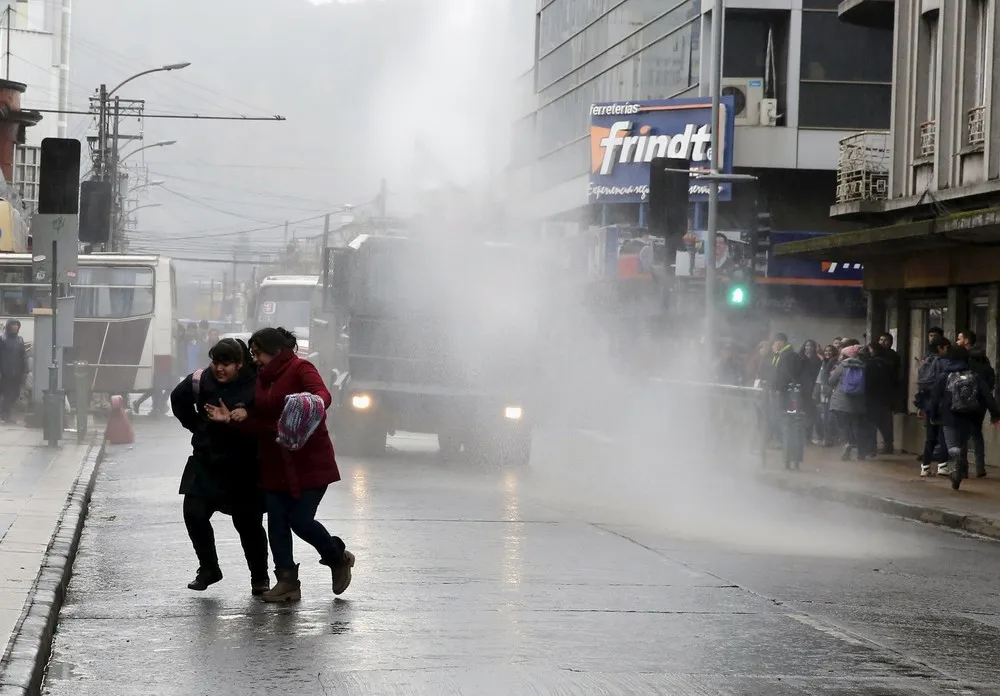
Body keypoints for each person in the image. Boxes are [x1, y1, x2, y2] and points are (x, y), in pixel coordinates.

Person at [207, 327, 355, 602]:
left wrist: (309, 404)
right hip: (274, 461)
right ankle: (287, 581)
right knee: (276, 522)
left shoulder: (300, 368)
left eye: (257, 353)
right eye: (252, 354)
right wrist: (231, 419)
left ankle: (336, 557)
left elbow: (322, 394)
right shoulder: (262, 380)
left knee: (300, 520)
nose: (255, 359)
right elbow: (265, 425)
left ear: (274, 351)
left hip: (309, 461)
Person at [170, 338, 270, 594]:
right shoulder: (200, 380)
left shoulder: (257, 383)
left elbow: (271, 412)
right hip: (206, 462)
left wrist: (246, 416)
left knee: (247, 524)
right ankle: (209, 568)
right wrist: (196, 425)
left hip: (244, 466)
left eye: (226, 364)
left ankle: (260, 578)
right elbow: (178, 399)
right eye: (216, 362)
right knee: (194, 513)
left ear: (239, 364)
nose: (219, 369)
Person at [928, 345, 1000, 490]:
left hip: (949, 417)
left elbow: (934, 398)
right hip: (969, 416)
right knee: (961, 444)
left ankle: (955, 469)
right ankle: (960, 465)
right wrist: (995, 414)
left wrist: (933, 414)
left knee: (952, 446)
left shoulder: (944, 376)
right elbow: (987, 396)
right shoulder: (974, 376)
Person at [917, 335, 952, 477]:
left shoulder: (925, 363)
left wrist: (920, 406)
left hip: (927, 403)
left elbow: (921, 386)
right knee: (943, 435)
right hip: (943, 403)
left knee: (930, 437)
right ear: (940, 348)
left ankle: (925, 467)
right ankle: (942, 465)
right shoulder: (945, 363)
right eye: (947, 348)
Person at [829, 343, 871, 461]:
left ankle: (846, 443)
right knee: (857, 426)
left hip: (840, 403)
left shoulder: (842, 365)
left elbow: (831, 381)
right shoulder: (864, 366)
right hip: (857, 403)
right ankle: (861, 453)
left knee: (843, 426)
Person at [0, 319, 27, 422]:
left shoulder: (20, 340)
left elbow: (23, 355)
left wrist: (25, 368)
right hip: (6, 372)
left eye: (17, 325)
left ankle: (5, 412)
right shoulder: (3, 339)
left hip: (18, 372)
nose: (15, 326)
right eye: (13, 324)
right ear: (8, 326)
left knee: (16, 393)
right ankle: (5, 415)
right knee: (7, 393)